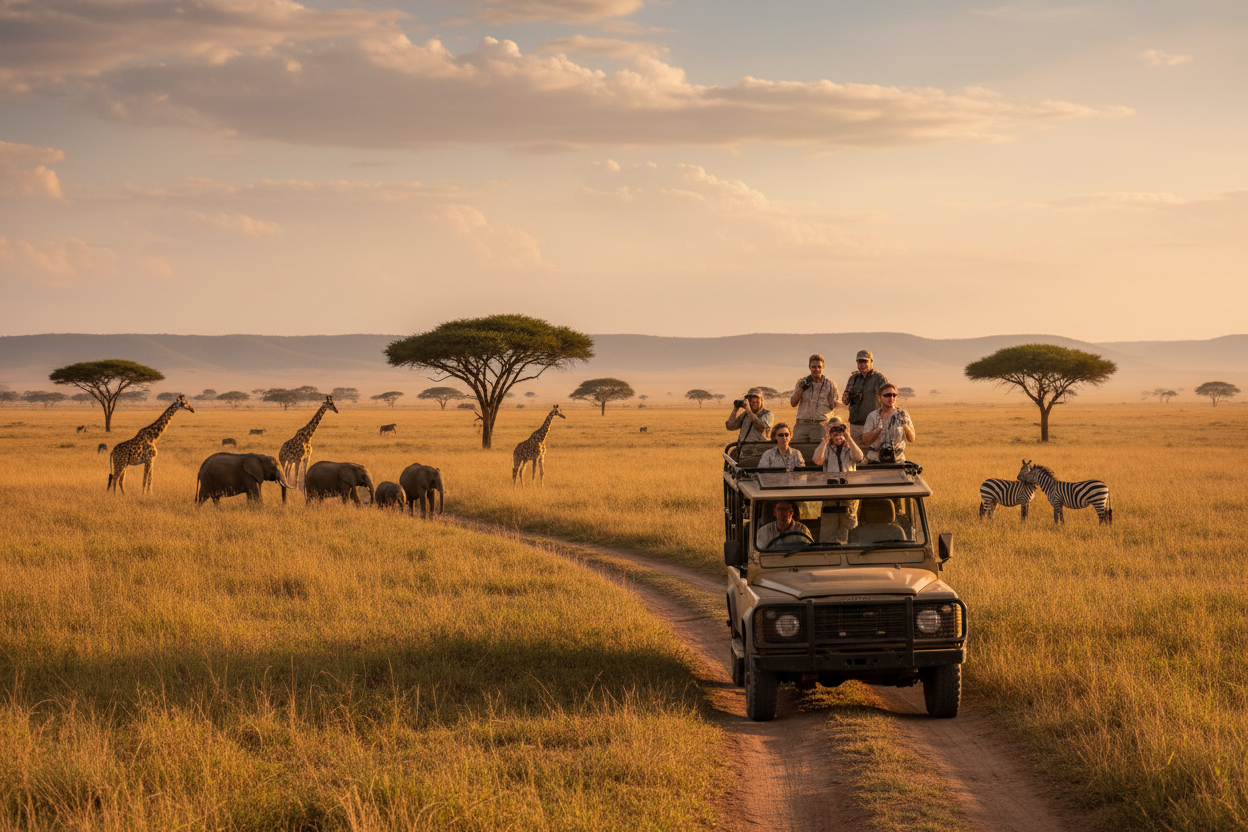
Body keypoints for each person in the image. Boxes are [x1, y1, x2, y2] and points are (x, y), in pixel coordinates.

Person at [812, 416, 864, 543]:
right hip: (830, 495)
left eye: (840, 432)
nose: (837, 436)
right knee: (828, 528)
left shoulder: (849, 448)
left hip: (849, 497)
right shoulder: (826, 448)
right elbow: (817, 460)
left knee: (849, 528)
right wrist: (826, 439)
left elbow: (859, 457)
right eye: (834, 432)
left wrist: (848, 437)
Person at [842, 350, 889, 448]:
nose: (862, 364)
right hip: (855, 424)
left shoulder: (879, 378)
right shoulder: (853, 378)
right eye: (860, 362)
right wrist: (849, 396)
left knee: (873, 454)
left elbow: (887, 400)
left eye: (865, 361)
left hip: (873, 425)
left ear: (871, 362)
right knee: (856, 455)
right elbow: (845, 400)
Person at [789, 354, 839, 443]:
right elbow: (793, 403)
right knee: (798, 451)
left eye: (819, 367)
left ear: (823, 367)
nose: (817, 369)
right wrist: (800, 389)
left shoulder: (830, 384)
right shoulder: (802, 382)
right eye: (814, 367)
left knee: (819, 454)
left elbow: (835, 405)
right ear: (809, 367)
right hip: (802, 424)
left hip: (820, 426)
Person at [862, 383, 915, 463]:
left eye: (894, 395)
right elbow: (866, 441)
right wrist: (877, 430)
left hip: (898, 460)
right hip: (876, 460)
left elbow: (911, 438)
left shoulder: (902, 414)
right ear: (879, 397)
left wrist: (905, 425)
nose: (891, 398)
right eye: (887, 395)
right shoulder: (872, 416)